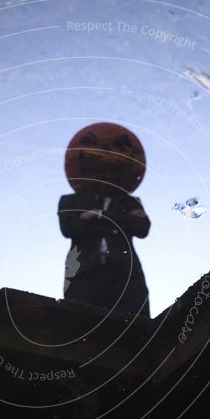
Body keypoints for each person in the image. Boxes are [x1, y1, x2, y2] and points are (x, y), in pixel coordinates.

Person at [58, 123, 151, 317]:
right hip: (83, 274)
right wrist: (123, 219)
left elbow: (142, 228)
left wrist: (96, 215)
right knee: (79, 325)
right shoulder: (70, 200)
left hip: (126, 275)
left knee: (135, 328)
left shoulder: (130, 201)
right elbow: (70, 228)